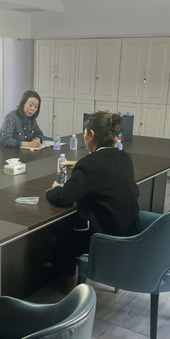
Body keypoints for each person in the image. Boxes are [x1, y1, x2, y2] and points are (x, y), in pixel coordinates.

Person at [46, 111, 140, 291]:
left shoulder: (88, 165)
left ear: (91, 135)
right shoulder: (124, 157)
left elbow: (64, 198)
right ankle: (114, 282)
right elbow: (104, 167)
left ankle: (70, 289)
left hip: (104, 240)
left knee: (64, 230)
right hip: (129, 233)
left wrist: (54, 188)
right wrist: (79, 164)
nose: (83, 135)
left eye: (85, 132)